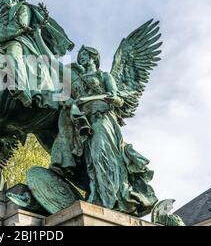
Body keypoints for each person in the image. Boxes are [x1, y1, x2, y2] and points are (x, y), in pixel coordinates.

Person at [50, 45, 157, 217]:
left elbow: (117, 98)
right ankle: (98, 198)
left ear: (94, 57)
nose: (82, 57)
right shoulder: (76, 79)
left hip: (103, 119)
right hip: (86, 124)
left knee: (103, 157)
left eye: (85, 54)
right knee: (92, 162)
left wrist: (89, 98)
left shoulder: (104, 76)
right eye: (80, 55)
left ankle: (114, 200)